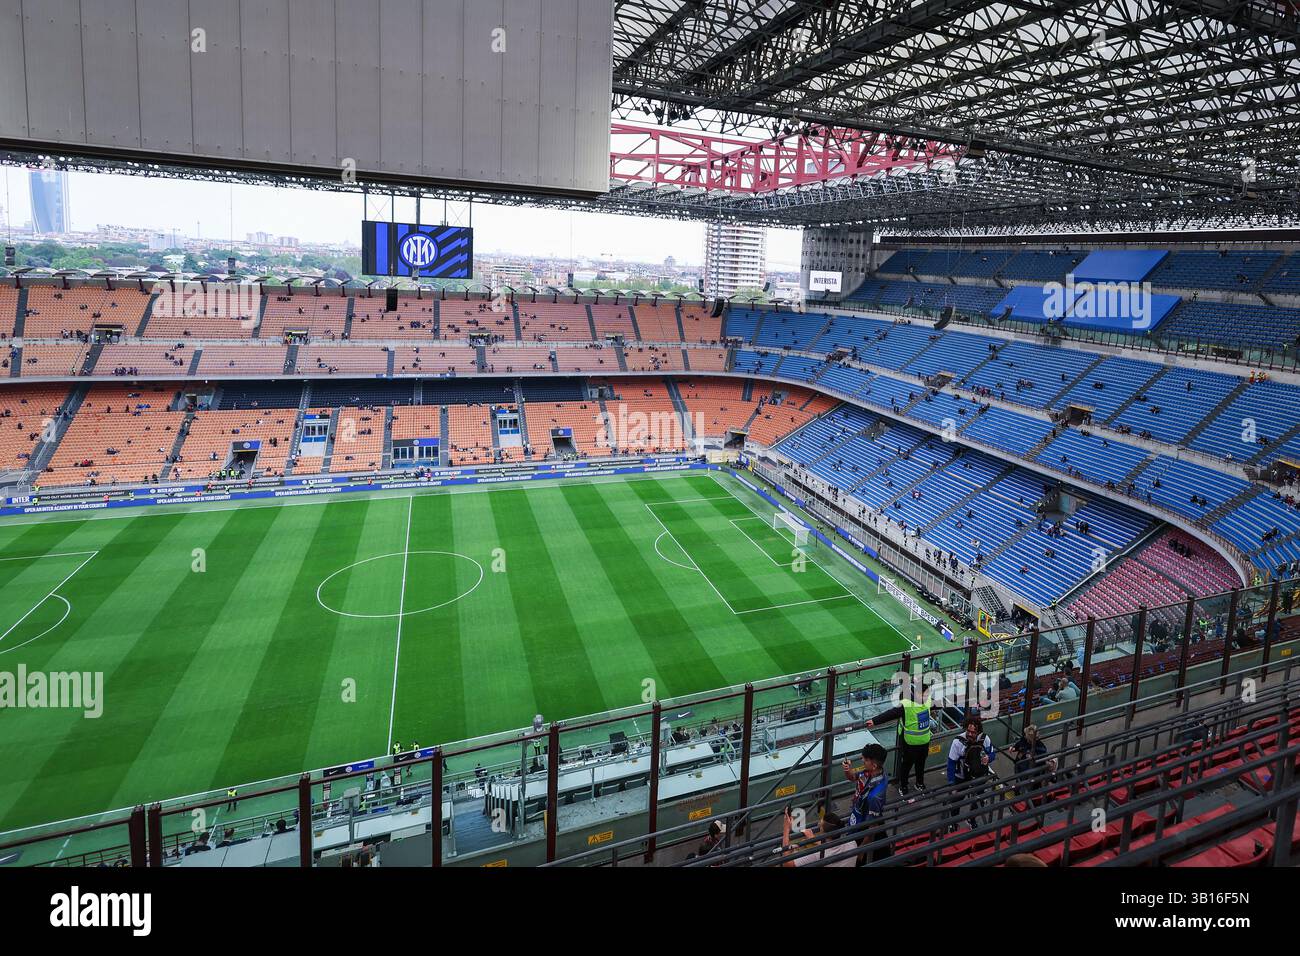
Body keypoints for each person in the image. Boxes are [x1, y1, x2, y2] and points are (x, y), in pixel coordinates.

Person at [866, 680, 936, 801]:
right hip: (910, 742)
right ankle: (903, 786)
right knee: (906, 765)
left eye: (927, 695)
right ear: (917, 694)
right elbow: (891, 713)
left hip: (924, 741)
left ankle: (919, 783)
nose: (926, 697)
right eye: (924, 695)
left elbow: (939, 703)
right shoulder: (906, 705)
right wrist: (875, 720)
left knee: (921, 764)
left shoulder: (928, 701)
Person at [843, 743, 891, 864]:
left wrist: (861, 851)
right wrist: (847, 770)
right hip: (859, 819)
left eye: (865, 760)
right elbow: (854, 777)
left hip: (864, 830)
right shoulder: (872, 773)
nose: (862, 760)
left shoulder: (875, 796)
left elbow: (872, 827)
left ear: (873, 765)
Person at [947, 717, 996, 830]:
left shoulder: (985, 738)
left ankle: (972, 819)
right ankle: (953, 823)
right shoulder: (957, 742)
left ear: (978, 731)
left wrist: (989, 758)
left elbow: (993, 754)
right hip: (961, 776)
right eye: (968, 731)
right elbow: (951, 763)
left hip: (979, 775)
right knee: (956, 801)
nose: (970, 734)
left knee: (979, 799)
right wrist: (951, 784)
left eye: (973, 732)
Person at [781, 806, 854, 867]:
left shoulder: (818, 854)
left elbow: (788, 864)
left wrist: (786, 829)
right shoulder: (852, 843)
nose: (818, 824)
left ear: (825, 833)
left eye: (820, 824)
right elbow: (831, 847)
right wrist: (814, 839)